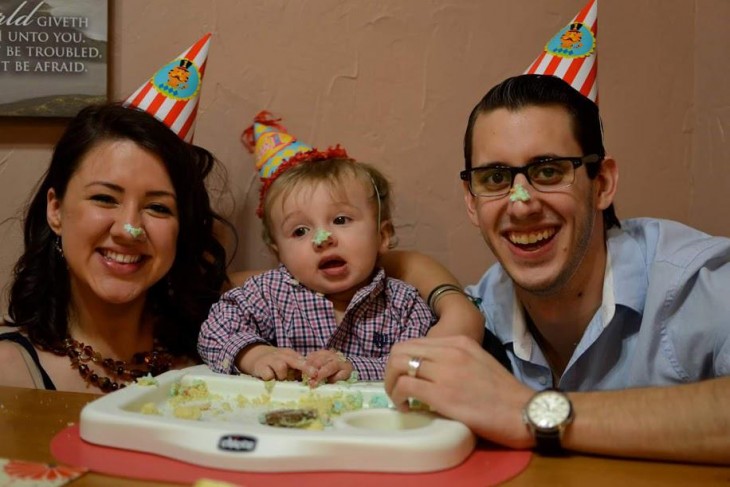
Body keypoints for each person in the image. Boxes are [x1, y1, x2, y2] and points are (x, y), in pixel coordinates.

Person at [384, 73, 730, 465]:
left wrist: (531, 411)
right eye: (495, 178)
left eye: (548, 171)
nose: (521, 204)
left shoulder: (696, 282)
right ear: (471, 201)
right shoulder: (475, 319)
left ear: (601, 184)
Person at [0, 102, 233, 393]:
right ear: (56, 210)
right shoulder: (9, 370)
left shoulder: (215, 359)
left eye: (158, 207)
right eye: (105, 198)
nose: (128, 229)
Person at [198, 113, 435, 385]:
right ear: (279, 254)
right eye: (300, 231)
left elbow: (421, 365)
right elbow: (212, 331)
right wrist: (255, 354)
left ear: (382, 236)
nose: (322, 238)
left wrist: (356, 368)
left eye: (340, 220)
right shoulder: (268, 294)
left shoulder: (404, 304)